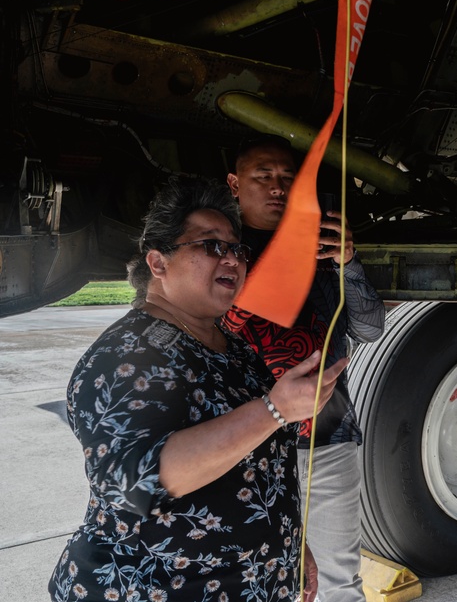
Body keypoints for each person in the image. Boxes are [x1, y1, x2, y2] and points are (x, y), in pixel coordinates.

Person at [49, 176, 344, 602]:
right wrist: (273, 410)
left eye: (237, 249)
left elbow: (257, 468)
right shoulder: (124, 354)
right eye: (211, 246)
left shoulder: (234, 348)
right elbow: (136, 484)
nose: (233, 259)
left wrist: (290, 545)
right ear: (158, 263)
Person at [223, 136, 385, 602]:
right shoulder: (221, 254)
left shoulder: (322, 245)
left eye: (287, 179)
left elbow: (371, 331)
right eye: (263, 177)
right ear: (234, 184)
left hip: (326, 441)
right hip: (244, 447)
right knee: (254, 581)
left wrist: (348, 263)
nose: (277, 187)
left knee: (338, 584)